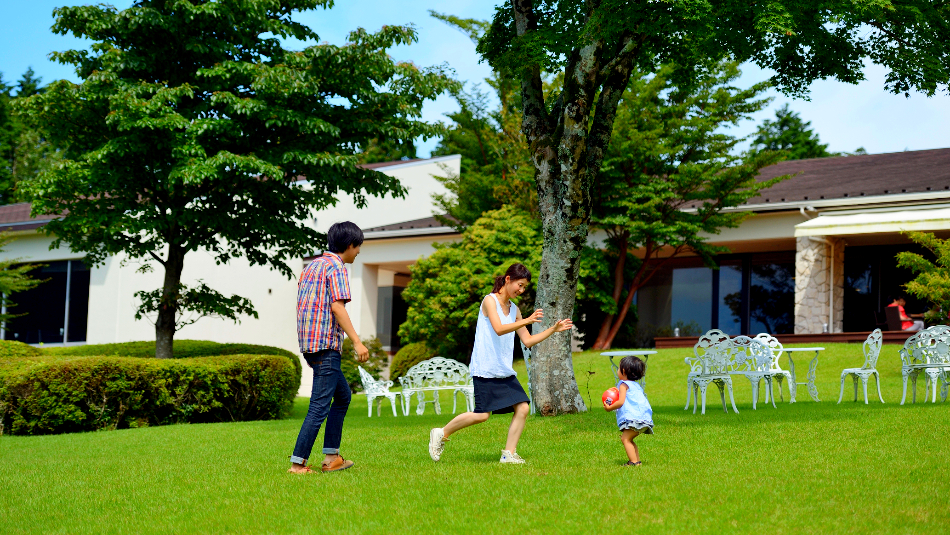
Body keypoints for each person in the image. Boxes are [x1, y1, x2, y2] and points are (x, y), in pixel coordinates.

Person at [427, 263, 573, 464]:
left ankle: (508, 453)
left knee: (522, 407)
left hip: (504, 370)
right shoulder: (490, 301)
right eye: (519, 285)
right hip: (485, 368)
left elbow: (528, 341)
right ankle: (441, 432)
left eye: (524, 288)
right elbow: (499, 328)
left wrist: (552, 330)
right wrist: (527, 320)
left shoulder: (515, 310)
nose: (521, 291)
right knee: (482, 416)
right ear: (507, 279)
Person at [289, 221, 369, 474]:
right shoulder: (337, 267)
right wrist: (357, 341)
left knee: (343, 397)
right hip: (326, 346)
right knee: (319, 406)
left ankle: (332, 457)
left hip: (310, 344)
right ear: (349, 245)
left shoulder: (312, 266)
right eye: (358, 247)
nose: (358, 252)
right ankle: (297, 464)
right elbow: (337, 307)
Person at [603, 356, 654, 467]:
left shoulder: (623, 384)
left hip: (634, 418)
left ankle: (633, 462)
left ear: (624, 371)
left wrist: (609, 408)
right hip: (645, 418)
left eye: (619, 368)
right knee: (629, 439)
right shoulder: (637, 385)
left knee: (625, 439)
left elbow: (621, 402)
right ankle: (637, 462)